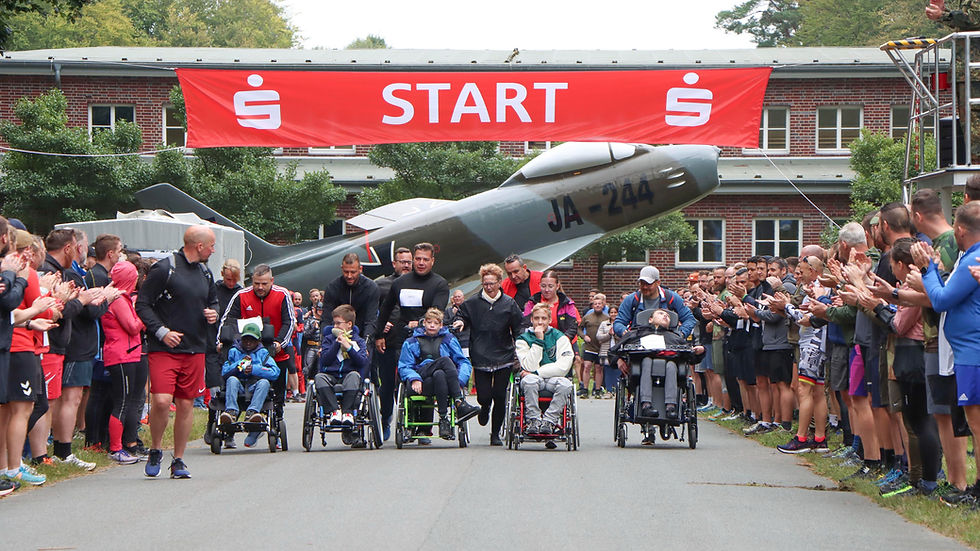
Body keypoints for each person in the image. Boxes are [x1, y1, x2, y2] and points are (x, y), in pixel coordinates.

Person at [136, 225, 219, 479]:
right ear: (199, 246)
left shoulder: (205, 272)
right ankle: (156, 448)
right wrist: (161, 331)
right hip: (165, 348)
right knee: (161, 401)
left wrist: (213, 313)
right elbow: (142, 304)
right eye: (212, 246)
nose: (214, 250)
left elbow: (212, 300)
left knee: (184, 404)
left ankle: (179, 460)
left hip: (195, 347)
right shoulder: (165, 268)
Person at [916, 201, 980, 501]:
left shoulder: (973, 259)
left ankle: (976, 489)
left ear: (960, 229)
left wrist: (927, 269)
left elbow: (941, 300)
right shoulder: (969, 255)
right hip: (965, 349)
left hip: (972, 351)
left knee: (977, 425)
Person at [39, 229, 109, 471]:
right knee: (64, 399)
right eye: (81, 246)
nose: (83, 251)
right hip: (62, 343)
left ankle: (53, 450)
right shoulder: (57, 272)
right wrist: (88, 299)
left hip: (64, 343)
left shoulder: (65, 271)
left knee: (64, 398)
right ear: (69, 247)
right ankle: (59, 450)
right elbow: (60, 309)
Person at [376, 243, 450, 441]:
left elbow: (438, 310)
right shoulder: (400, 282)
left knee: (427, 377)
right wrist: (378, 335)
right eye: (418, 258)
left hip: (429, 337)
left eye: (425, 259)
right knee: (402, 379)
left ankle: (424, 427)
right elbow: (385, 309)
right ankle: (403, 422)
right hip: (402, 338)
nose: (421, 263)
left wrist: (420, 322)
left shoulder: (439, 284)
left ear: (432, 261)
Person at [451, 264, 523, 446]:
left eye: (492, 283)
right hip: (481, 354)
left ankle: (495, 433)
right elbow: (462, 316)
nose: (489, 287)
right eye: (485, 284)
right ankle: (484, 408)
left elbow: (518, 328)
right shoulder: (472, 302)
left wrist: (521, 347)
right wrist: (460, 322)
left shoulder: (509, 303)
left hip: (503, 355)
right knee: (484, 396)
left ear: (500, 282)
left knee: (500, 395)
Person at [218, 263, 296, 423]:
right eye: (256, 283)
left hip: (274, 351)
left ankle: (276, 419)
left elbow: (289, 321)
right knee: (232, 383)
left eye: (264, 284)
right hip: (245, 347)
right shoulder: (241, 295)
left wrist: (279, 342)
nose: (260, 287)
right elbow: (227, 320)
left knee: (277, 394)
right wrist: (221, 341)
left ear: (272, 281)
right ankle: (230, 419)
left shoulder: (282, 295)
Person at [397, 308, 480, 439]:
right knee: (445, 361)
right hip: (420, 379)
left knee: (440, 374)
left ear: (441, 325)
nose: (432, 325)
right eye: (429, 322)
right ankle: (459, 402)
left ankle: (443, 420)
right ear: (424, 323)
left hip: (440, 383)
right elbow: (404, 366)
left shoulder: (448, 339)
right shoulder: (411, 342)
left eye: (435, 323)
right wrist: (414, 378)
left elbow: (464, 362)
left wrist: (458, 381)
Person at [614, 309, 705, 421]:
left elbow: (691, 358)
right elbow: (614, 351)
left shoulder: (676, 338)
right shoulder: (636, 334)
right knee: (647, 360)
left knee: (671, 365)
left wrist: (700, 352)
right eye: (661, 314)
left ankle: (671, 407)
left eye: (667, 315)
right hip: (641, 370)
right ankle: (646, 405)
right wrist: (618, 360)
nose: (665, 316)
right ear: (650, 319)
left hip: (670, 369)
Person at [101, 260, 145, 464]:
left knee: (125, 400)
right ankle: (116, 447)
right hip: (121, 354)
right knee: (122, 402)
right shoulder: (119, 300)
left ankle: (122, 444)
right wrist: (143, 316)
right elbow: (132, 326)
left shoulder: (122, 298)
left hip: (128, 353)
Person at [312, 305, 370, 447]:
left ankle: (348, 413)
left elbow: (362, 362)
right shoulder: (328, 339)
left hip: (349, 375)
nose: (335, 326)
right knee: (319, 377)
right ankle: (334, 411)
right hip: (331, 375)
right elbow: (325, 360)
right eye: (334, 323)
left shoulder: (359, 341)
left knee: (354, 376)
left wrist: (348, 346)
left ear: (349, 324)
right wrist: (336, 345)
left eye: (338, 323)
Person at [515, 303, 574, 434]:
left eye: (543, 318)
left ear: (550, 320)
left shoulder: (560, 338)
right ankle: (533, 419)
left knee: (566, 385)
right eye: (536, 318)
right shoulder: (522, 340)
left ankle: (549, 420)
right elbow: (528, 365)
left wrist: (537, 372)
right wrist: (538, 340)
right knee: (530, 381)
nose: (540, 322)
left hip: (553, 378)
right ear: (531, 319)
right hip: (533, 379)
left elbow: (563, 366)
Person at [219, 322, 280, 448]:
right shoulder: (234, 351)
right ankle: (231, 412)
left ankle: (252, 413)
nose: (248, 342)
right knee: (231, 379)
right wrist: (238, 366)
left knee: (265, 383)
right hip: (238, 385)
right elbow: (225, 372)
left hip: (255, 385)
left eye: (251, 339)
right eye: (245, 339)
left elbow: (275, 372)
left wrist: (254, 369)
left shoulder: (263, 353)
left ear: (258, 340)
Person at [613, 265, 695, 338]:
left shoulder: (672, 298)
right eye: (642, 283)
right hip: (638, 343)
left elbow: (689, 319)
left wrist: (680, 334)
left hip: (668, 343)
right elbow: (619, 322)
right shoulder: (631, 300)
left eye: (648, 284)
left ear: (658, 283)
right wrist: (624, 332)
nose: (644, 287)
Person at [321, 253, 379, 344]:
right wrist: (324, 343)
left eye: (353, 272)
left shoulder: (370, 288)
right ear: (341, 268)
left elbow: (371, 320)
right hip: (336, 337)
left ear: (360, 269)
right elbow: (326, 318)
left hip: (362, 335)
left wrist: (366, 343)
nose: (349, 276)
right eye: (346, 271)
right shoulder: (333, 287)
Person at [579, 293, 609, 399]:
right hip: (589, 347)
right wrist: (584, 336)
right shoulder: (587, 317)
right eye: (595, 304)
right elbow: (579, 328)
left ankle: (597, 389)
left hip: (601, 347)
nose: (597, 305)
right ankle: (585, 389)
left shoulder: (607, 318)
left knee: (598, 368)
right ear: (592, 305)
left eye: (599, 304)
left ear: (603, 305)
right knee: (587, 366)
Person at [443, 289, 469, 357]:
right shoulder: (448, 311)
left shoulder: (468, 308)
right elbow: (445, 323)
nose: (457, 298)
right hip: (455, 339)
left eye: (459, 296)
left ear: (463, 297)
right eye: (455, 297)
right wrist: (453, 314)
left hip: (467, 339)